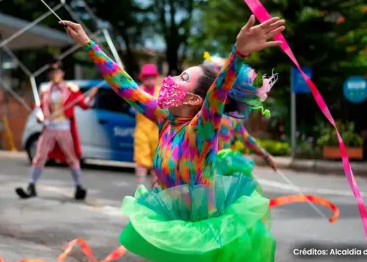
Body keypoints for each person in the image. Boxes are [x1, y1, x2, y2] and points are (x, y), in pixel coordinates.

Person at [59, 15, 285, 261]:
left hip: (202, 238)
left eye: (183, 78)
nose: (171, 80)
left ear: (193, 100)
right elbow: (125, 85)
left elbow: (217, 94)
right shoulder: (164, 119)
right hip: (173, 228)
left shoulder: (201, 131)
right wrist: (88, 44)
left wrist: (238, 54)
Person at [15, 61, 99, 200]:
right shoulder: (46, 91)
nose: (55, 75)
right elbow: (39, 108)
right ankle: (31, 185)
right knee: (40, 156)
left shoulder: (71, 89)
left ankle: (78, 186)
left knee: (71, 158)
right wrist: (40, 116)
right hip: (49, 128)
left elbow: (84, 105)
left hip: (64, 128)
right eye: (53, 72)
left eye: (58, 72)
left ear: (63, 73)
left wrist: (91, 96)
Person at [202, 52, 278, 177]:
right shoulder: (200, 112)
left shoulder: (232, 116)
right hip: (203, 170)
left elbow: (245, 138)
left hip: (224, 170)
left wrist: (267, 156)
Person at [132, 63, 161, 187]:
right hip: (142, 130)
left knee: (156, 163)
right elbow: (132, 107)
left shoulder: (162, 91)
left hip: (157, 131)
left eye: (152, 77)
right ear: (142, 78)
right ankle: (140, 190)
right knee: (141, 161)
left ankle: (154, 191)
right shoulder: (137, 91)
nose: (150, 79)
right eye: (147, 77)